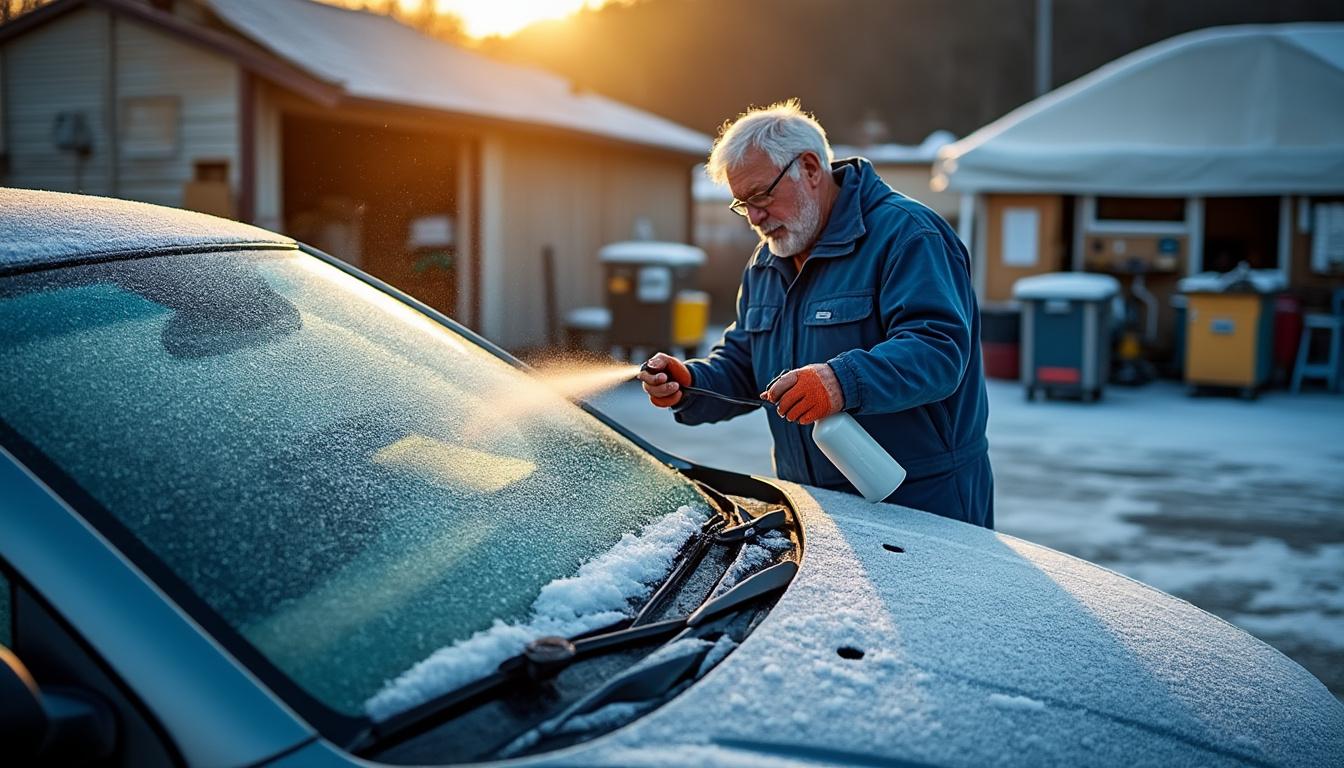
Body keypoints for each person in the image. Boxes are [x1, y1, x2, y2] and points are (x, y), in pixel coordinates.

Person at [638, 100, 993, 528]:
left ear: (809, 168)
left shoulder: (909, 235)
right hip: (817, 508)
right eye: (741, 204)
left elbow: (938, 352)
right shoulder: (767, 262)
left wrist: (842, 382)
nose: (754, 217)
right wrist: (692, 384)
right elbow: (748, 362)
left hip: (924, 505)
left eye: (761, 195)